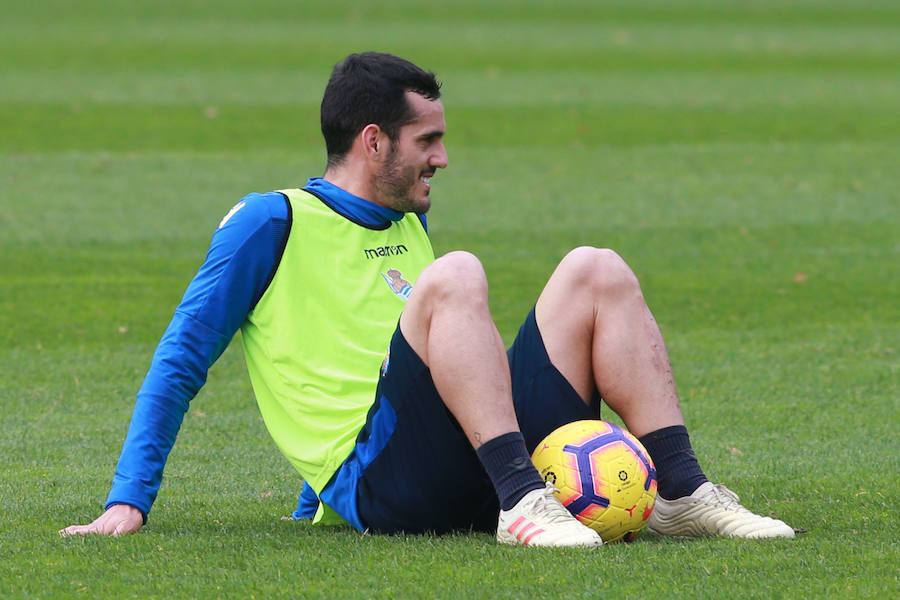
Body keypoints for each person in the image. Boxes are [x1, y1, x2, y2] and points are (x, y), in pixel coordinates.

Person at [60, 52, 794, 546]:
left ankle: (682, 492)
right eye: (428, 140)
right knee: (459, 276)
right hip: (386, 487)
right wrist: (130, 498)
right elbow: (182, 357)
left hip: (461, 458)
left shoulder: (407, 221)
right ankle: (522, 503)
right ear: (373, 141)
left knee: (593, 270)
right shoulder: (270, 221)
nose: (442, 158)